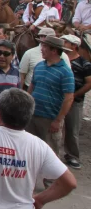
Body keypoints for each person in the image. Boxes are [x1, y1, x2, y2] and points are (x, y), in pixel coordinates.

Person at [26, 36, 75, 165]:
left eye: (44, 47)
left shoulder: (65, 72)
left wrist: (58, 120)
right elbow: (32, 87)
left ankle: (51, 181)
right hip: (32, 116)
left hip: (50, 119)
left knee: (50, 153)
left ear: (54, 51)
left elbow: (69, 98)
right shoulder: (39, 66)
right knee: (29, 151)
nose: (41, 49)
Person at [61, 34, 91, 170]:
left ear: (74, 46)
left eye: (66, 42)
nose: (63, 43)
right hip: (60, 99)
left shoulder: (84, 64)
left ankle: (72, 155)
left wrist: (74, 95)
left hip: (75, 101)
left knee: (72, 129)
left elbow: (89, 83)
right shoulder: (61, 59)